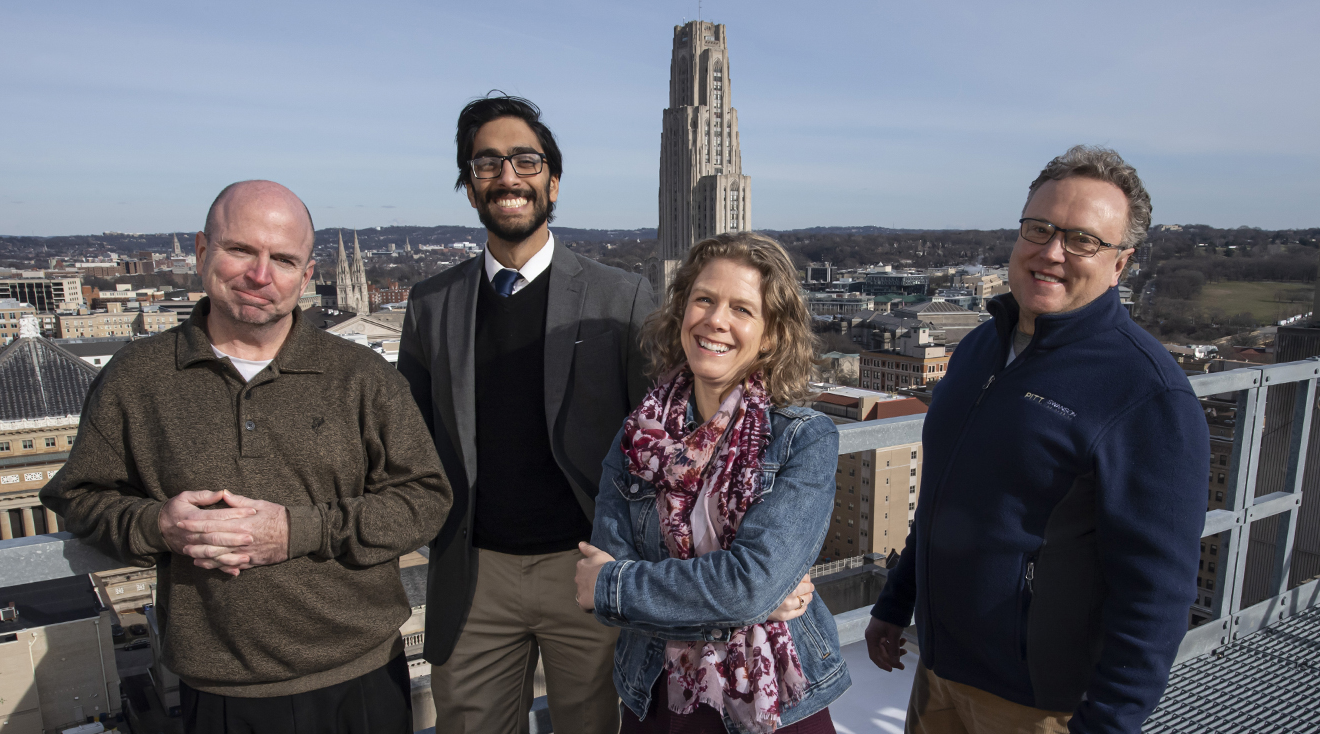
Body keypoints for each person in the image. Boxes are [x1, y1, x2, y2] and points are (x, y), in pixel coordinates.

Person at [41, 180, 452, 734]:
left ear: (306, 278)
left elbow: (425, 500)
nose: (261, 275)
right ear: (203, 252)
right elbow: (80, 497)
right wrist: (157, 525)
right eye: (241, 250)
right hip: (221, 692)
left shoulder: (364, 377)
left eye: (283, 259)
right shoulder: (134, 380)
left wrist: (296, 530)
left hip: (361, 678)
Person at [865, 146, 1210, 734]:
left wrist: (1106, 724)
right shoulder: (979, 348)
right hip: (939, 673)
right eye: (1039, 228)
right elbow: (948, 499)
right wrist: (896, 603)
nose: (1052, 252)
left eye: (1083, 240)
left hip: (1039, 704)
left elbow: (1156, 593)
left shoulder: (1146, 395)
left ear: (1120, 264)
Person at [398, 94, 654, 734]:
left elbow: (659, 441)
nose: (508, 177)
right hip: (473, 573)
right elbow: (409, 440)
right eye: (488, 163)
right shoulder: (431, 304)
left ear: (553, 182)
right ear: (470, 187)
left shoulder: (619, 297)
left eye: (525, 160)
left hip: (588, 570)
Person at [575, 232, 851, 734]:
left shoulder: (802, 440)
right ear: (681, 311)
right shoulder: (640, 435)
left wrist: (624, 588)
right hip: (655, 694)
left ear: (770, 334)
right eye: (703, 299)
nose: (716, 320)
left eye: (742, 309)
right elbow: (604, 575)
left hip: (775, 705)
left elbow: (745, 585)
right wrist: (749, 604)